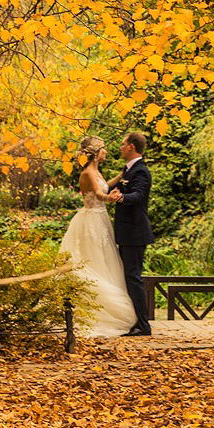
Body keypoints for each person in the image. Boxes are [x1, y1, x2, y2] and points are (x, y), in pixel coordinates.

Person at [58, 136, 138, 337]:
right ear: (95, 153)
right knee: (94, 260)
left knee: (105, 259)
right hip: (92, 221)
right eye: (103, 149)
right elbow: (99, 193)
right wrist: (110, 198)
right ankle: (100, 309)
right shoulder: (87, 172)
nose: (106, 152)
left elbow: (104, 186)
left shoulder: (95, 171)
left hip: (100, 219)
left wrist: (120, 177)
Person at [108, 132, 154, 336]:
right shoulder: (128, 170)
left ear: (132, 147)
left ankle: (144, 325)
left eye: (123, 144)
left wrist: (121, 198)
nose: (120, 147)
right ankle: (136, 321)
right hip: (127, 233)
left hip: (135, 233)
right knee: (129, 277)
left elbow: (139, 195)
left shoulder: (141, 172)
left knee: (133, 277)